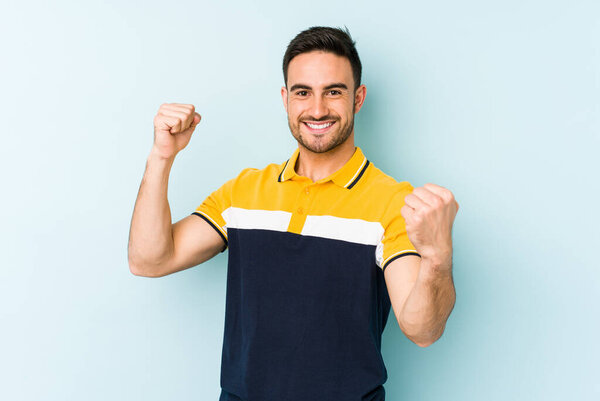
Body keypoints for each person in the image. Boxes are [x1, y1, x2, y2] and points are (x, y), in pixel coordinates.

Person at [128, 26, 459, 401]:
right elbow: (149, 260)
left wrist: (437, 257)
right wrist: (161, 156)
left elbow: (423, 330)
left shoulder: (392, 203)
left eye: (334, 91)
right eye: (303, 92)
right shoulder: (244, 192)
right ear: (286, 99)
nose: (317, 109)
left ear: (358, 98)